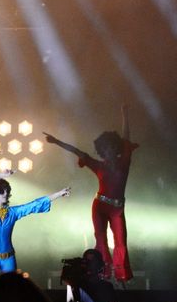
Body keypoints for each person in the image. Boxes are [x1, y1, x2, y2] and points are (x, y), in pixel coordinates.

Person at [44, 104, 138, 282]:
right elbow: (77, 151)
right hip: (100, 206)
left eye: (111, 148)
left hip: (117, 208)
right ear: (102, 151)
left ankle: (121, 274)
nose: (108, 152)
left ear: (115, 148)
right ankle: (103, 272)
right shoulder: (98, 165)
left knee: (120, 241)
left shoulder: (124, 160)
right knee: (101, 239)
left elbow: (126, 137)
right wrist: (56, 142)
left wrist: (125, 114)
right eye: (105, 149)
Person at [0, 169, 70, 297]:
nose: (5, 194)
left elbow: (33, 205)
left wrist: (58, 194)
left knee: (12, 292)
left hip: (8, 258)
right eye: (2, 191)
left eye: (7, 191)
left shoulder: (13, 212)